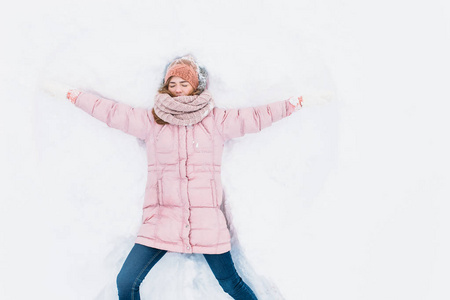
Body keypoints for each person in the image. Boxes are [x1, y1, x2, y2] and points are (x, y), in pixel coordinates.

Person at [42, 54, 328, 299]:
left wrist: (296, 103)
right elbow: (113, 112)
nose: (178, 89)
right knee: (126, 281)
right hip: (161, 222)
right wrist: (72, 95)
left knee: (231, 283)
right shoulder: (153, 121)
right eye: (172, 84)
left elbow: (255, 116)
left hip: (206, 223)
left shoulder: (215, 121)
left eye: (184, 83)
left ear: (196, 86)